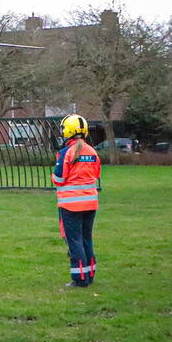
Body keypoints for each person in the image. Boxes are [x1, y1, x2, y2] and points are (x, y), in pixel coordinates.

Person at [52, 114, 101, 288]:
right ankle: (90, 274)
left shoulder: (66, 152)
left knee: (74, 240)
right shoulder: (92, 151)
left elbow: (58, 179)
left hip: (71, 204)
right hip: (91, 203)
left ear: (68, 131)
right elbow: (96, 174)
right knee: (87, 238)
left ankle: (79, 279)